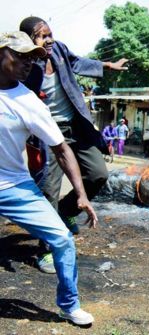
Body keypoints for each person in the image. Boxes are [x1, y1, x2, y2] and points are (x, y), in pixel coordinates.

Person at [0, 31, 98, 325]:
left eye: (32, 58)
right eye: (20, 55)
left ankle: (70, 305)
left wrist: (80, 193)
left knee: (62, 238)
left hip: (14, 187)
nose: (28, 63)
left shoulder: (28, 102)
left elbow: (61, 148)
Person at [20, 17, 126, 274]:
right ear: (27, 41)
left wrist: (108, 65)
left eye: (50, 34)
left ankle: (67, 211)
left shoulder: (58, 50)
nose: (49, 40)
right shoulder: (24, 65)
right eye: (42, 36)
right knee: (48, 189)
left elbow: (78, 62)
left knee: (98, 174)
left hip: (76, 126)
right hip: (46, 132)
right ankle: (45, 249)